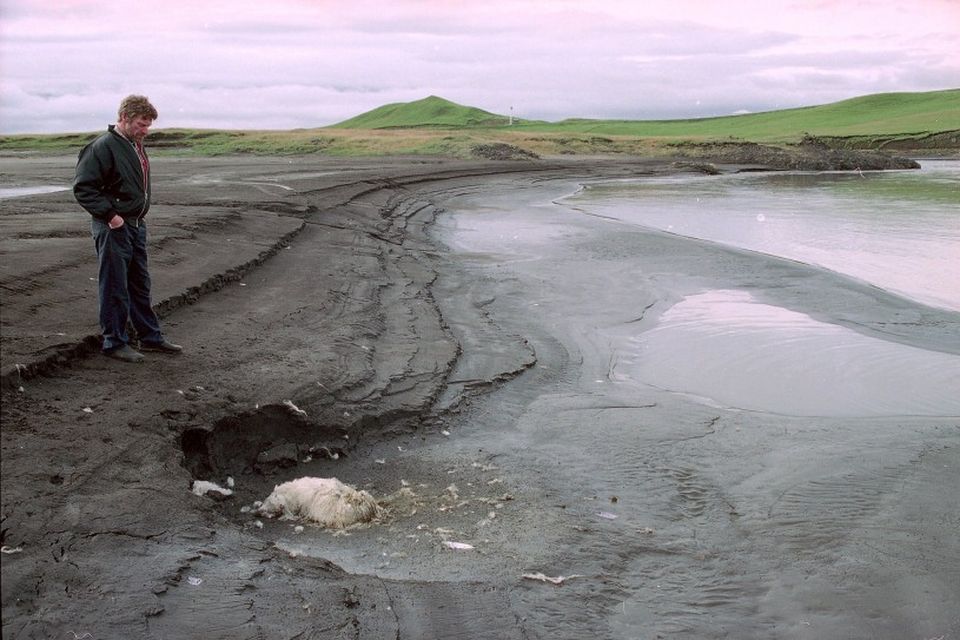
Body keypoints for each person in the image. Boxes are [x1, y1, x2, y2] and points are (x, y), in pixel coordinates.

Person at [73, 95, 182, 363]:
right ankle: (114, 342)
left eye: (148, 126)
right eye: (141, 125)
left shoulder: (135, 145)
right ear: (124, 118)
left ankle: (150, 337)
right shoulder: (102, 146)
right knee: (114, 286)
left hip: (135, 225)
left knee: (139, 284)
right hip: (114, 227)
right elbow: (83, 188)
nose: (145, 131)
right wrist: (111, 216)